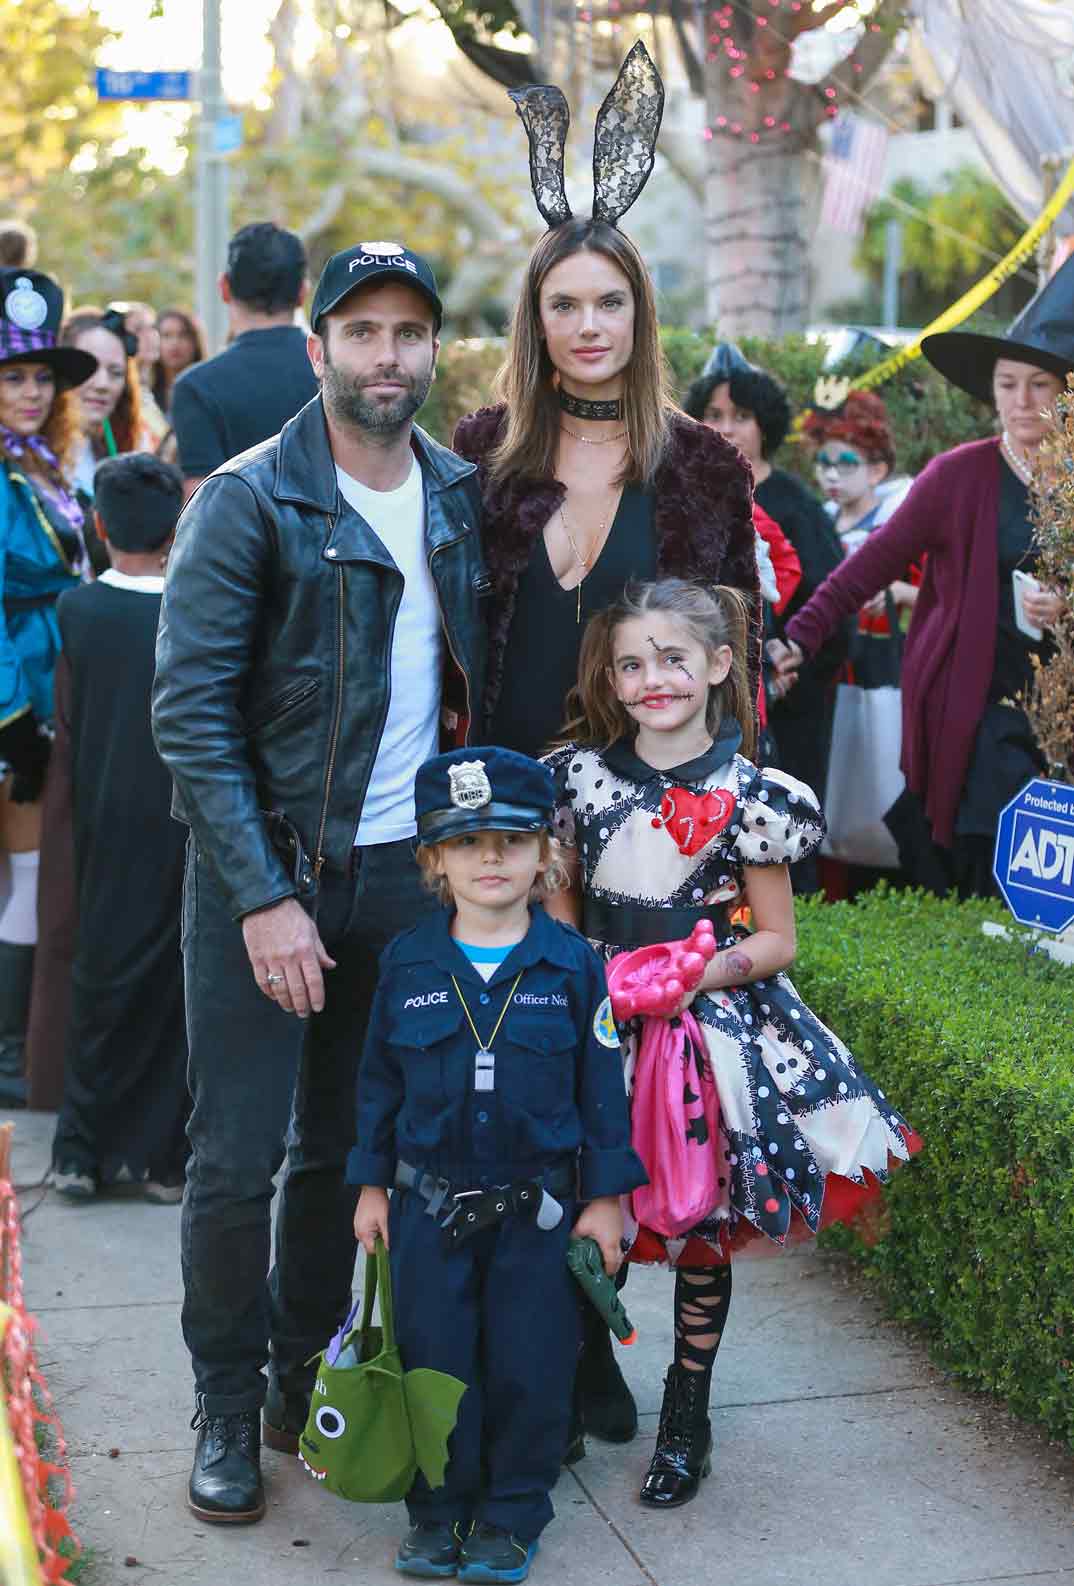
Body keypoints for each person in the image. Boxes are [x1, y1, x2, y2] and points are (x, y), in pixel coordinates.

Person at [452, 43, 759, 1454]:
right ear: (536, 318)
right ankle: (558, 1344)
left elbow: (731, 654)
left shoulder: (697, 462)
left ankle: (621, 1350)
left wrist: (716, 828)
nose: (587, 324)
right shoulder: (482, 454)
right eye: (564, 302)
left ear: (640, 314)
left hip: (648, 837)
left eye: (609, 301)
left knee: (639, 1102)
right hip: (506, 826)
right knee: (517, 1094)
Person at [152, 240, 487, 1525]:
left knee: (343, 1152)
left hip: (404, 876)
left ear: (430, 351)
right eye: (363, 333)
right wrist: (262, 895)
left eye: (409, 332)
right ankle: (225, 1401)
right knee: (234, 1156)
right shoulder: (246, 498)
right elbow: (188, 715)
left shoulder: (456, 493)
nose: (387, 356)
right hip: (267, 873)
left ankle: (301, 1373)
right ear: (320, 348)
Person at [545, 576, 918, 1508]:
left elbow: (777, 939)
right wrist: (608, 974)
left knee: (705, 1218)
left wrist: (690, 973)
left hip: (711, 1034)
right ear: (613, 679)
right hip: (601, 1025)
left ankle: (687, 1414)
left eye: (674, 658)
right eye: (631, 663)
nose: (652, 678)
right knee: (591, 1200)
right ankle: (578, 1378)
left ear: (718, 665)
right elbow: (555, 926)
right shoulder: (577, 781)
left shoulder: (757, 795)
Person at [352, 746, 646, 1583]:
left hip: (538, 1218)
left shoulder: (571, 966)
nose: (492, 859)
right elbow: (376, 1083)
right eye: (468, 843)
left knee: (531, 1368)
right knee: (435, 1364)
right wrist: (371, 1185)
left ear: (545, 856)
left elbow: (602, 1089)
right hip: (427, 1216)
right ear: (433, 860)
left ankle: (512, 1516)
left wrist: (606, 1201)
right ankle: (439, 1514)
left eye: (513, 842)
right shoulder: (407, 964)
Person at [771, 257, 1074, 897]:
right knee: (992, 861)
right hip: (979, 704)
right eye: (1008, 383)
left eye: (1040, 384)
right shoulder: (957, 477)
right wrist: (798, 638)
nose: (1022, 402)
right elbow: (864, 571)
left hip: (1064, 707)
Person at [49, 453, 188, 1201]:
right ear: (176, 529)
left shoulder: (78, 611)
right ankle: (163, 1158)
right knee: (174, 991)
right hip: (181, 820)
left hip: (103, 819)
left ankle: (80, 1150)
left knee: (100, 981)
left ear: (99, 526)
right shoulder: (196, 606)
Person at [684, 345, 846, 890]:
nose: (727, 428)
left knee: (785, 834)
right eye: (714, 415)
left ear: (766, 424)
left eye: (742, 417)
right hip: (709, 702)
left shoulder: (796, 507)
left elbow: (832, 603)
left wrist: (790, 655)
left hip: (792, 709)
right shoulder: (686, 495)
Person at [0, 269, 95, 1108]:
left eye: (40, 377)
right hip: (16, 696)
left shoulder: (41, 463)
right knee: (25, 873)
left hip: (53, 682)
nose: (31, 392)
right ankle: (9, 1052)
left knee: (34, 871)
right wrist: (13, 722)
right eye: (13, 376)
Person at [799, 390, 915, 885]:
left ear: (876, 470)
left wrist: (897, 590)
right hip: (831, 673)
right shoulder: (817, 522)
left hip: (883, 669)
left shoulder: (897, 524)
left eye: (846, 464)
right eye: (824, 463)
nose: (831, 474)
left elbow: (932, 590)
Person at [170, 222, 318, 499]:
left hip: (241, 540)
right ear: (302, 292)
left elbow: (202, 505)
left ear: (224, 287)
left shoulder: (196, 388)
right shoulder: (338, 370)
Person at [60, 308, 147, 508]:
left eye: (115, 373)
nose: (102, 384)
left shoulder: (126, 449)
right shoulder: (28, 458)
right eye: (89, 368)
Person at [153, 308, 206, 417]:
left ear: (195, 342)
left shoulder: (208, 392)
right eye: (166, 335)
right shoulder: (145, 394)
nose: (175, 343)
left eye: (183, 335)